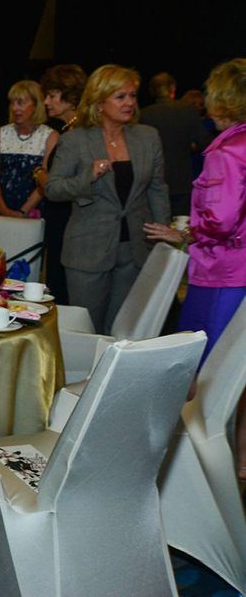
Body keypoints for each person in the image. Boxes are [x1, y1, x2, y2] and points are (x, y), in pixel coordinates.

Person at [144, 58, 246, 479]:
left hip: (220, 276)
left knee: (199, 375)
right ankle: (238, 460)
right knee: (236, 374)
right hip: (240, 271)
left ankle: (189, 469)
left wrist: (185, 233)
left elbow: (221, 220)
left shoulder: (226, 150)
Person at [47, 64, 170, 334]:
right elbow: (53, 189)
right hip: (87, 251)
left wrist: (163, 233)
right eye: (120, 97)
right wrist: (87, 178)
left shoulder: (148, 137)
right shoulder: (75, 140)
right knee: (87, 330)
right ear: (100, 102)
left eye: (132, 96)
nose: (129, 103)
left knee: (122, 330)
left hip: (135, 249)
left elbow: (157, 189)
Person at [35, 63, 88, 304]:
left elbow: (68, 181)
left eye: (52, 95)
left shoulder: (80, 134)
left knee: (62, 282)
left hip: (68, 217)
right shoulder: (69, 130)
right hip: (59, 214)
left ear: (70, 97)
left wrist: (40, 176)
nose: (46, 101)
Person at [139, 72, 213, 215]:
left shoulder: (143, 114)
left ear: (152, 91)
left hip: (151, 184)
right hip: (182, 182)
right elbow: (205, 143)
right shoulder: (188, 111)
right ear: (173, 88)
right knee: (181, 229)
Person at [0, 80, 57, 218]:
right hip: (0, 208)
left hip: (34, 211)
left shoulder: (50, 136)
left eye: (21, 103)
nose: (15, 108)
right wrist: (3, 209)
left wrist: (23, 211)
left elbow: (46, 180)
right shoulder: (0, 133)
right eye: (12, 103)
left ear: (36, 105)